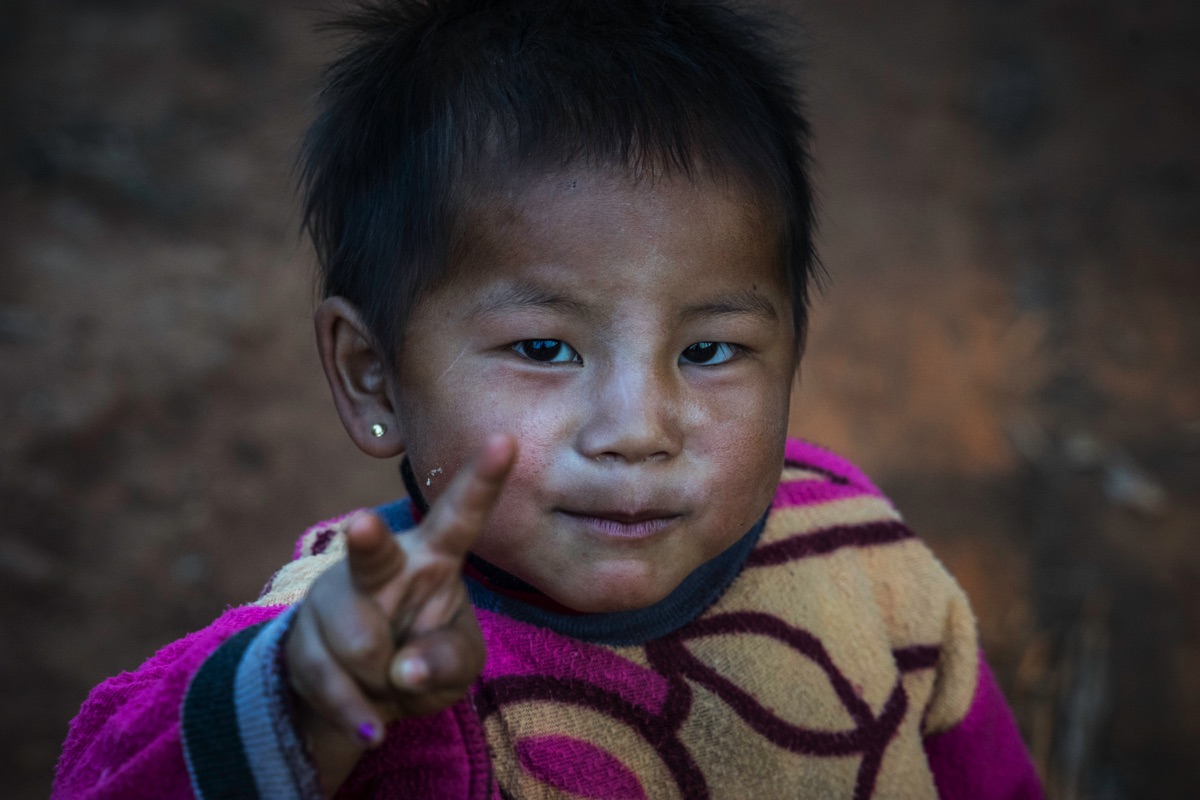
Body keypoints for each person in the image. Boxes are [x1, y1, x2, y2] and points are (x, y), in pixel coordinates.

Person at [53, 0, 1043, 797]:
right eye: (542, 346)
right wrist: (304, 706)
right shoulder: (369, 648)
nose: (638, 428)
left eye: (710, 348)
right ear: (371, 373)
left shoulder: (856, 547)